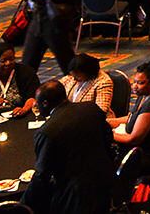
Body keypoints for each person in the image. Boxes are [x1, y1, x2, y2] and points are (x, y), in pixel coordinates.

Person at [29, 81, 116, 214]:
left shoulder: (47, 131)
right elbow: (108, 139)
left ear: (45, 103)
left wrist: (23, 203)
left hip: (76, 197)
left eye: (37, 102)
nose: (36, 105)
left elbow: (43, 175)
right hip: (107, 180)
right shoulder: (91, 108)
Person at [111, 61, 150, 183]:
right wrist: (108, 122)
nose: (135, 86)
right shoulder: (144, 94)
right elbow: (131, 118)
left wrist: (108, 134)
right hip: (137, 149)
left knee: (100, 160)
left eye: (140, 83)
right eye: (134, 81)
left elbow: (133, 139)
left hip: (146, 157)